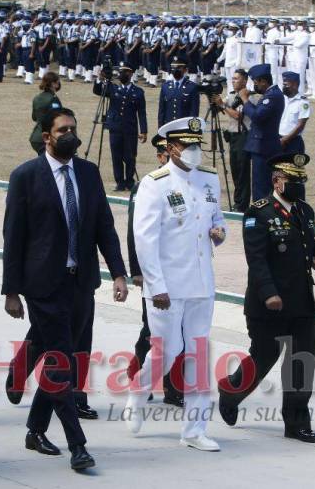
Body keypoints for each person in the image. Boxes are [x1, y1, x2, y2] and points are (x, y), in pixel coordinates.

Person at [2, 108, 128, 471]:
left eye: (74, 128)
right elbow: (15, 237)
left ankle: (35, 428)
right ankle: (78, 445)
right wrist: (12, 290)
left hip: (81, 282)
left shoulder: (87, 173)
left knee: (64, 355)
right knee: (62, 364)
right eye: (63, 130)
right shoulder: (26, 176)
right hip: (42, 285)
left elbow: (104, 225)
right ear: (46, 137)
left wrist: (118, 273)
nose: (70, 134)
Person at [125, 117, 227, 451]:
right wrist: (156, 286)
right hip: (167, 286)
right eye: (188, 146)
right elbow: (145, 238)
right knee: (166, 353)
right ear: (170, 148)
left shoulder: (209, 179)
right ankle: (139, 390)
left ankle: (194, 429)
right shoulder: (155, 183)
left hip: (201, 283)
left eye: (198, 145)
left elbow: (217, 220)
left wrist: (219, 233)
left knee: (197, 353)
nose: (195, 151)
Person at [218, 152, 315, 443]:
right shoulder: (258, 212)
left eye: (301, 181)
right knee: (263, 358)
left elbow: (307, 242)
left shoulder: (304, 210)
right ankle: (230, 392)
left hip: (301, 301)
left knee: (301, 362)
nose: (298, 187)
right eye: (293, 181)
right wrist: (269, 294)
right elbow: (257, 258)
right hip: (269, 304)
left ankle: (297, 423)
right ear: (277, 181)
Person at [126, 135, 184, 407]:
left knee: (179, 333)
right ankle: (138, 375)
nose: (165, 158)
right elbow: (135, 232)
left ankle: (174, 387)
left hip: (180, 274)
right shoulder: (147, 186)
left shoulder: (183, 184)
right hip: (154, 274)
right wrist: (137, 270)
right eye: (163, 154)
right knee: (151, 331)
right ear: (160, 156)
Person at [94, 63, 148, 191]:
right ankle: (119, 182)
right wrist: (100, 78)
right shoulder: (113, 88)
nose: (121, 74)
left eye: (124, 72)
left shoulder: (138, 92)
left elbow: (141, 113)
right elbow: (97, 91)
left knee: (130, 156)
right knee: (116, 156)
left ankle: (129, 181)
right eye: (120, 72)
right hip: (115, 128)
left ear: (130, 74)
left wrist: (144, 130)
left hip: (130, 129)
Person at [243, 63, 284, 201]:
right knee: (261, 185)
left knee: (261, 186)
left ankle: (261, 216)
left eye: (256, 82)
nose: (255, 86)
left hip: (264, 147)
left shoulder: (273, 96)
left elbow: (257, 117)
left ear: (263, 81)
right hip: (262, 146)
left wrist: (245, 101)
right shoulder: (270, 94)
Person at [216, 69, 252, 212]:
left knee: (243, 171)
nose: (233, 81)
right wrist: (215, 101)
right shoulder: (231, 96)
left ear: (244, 80)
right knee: (235, 170)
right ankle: (238, 202)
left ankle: (242, 205)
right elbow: (218, 107)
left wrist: (222, 105)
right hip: (233, 137)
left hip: (244, 136)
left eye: (236, 79)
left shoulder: (248, 96)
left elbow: (238, 116)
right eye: (232, 78)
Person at [157, 55, 200, 127]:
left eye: (179, 68)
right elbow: (161, 110)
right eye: (173, 68)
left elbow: (194, 111)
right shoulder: (165, 86)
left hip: (184, 127)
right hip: (168, 127)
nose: (175, 70)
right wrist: (160, 128)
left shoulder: (192, 87)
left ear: (185, 69)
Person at [30, 72, 63, 154]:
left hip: (36, 137)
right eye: (58, 82)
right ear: (53, 84)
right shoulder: (53, 99)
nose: (59, 84)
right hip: (47, 138)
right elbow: (58, 119)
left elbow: (34, 117)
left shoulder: (37, 98)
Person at [278, 71, 310, 155]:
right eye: (283, 84)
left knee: (293, 167)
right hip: (278, 139)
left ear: (295, 85)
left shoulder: (303, 102)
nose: (283, 87)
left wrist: (285, 140)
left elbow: (300, 125)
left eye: (286, 85)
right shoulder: (281, 99)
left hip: (293, 141)